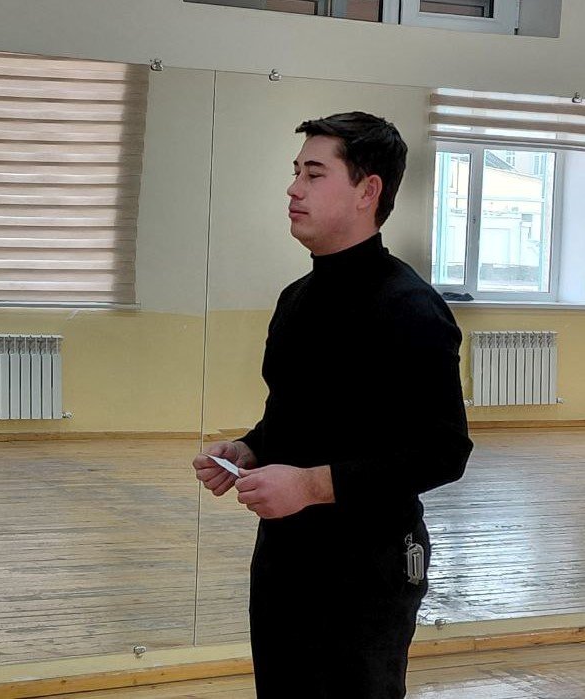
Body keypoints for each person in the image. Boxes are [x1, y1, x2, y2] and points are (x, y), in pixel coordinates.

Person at [192, 112, 472, 697]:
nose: (293, 189)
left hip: (366, 570)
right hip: (285, 557)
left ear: (368, 191)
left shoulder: (411, 307)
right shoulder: (296, 299)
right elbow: (301, 411)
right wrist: (250, 447)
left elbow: (443, 451)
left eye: (314, 174)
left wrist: (311, 485)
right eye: (296, 172)